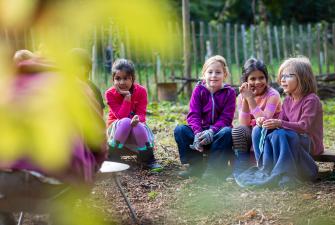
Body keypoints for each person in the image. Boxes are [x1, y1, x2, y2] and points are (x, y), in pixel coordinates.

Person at [0, 50, 107, 224]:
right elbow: (97, 137)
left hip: (4, 180)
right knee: (66, 197)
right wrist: (92, 167)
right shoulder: (75, 85)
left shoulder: (8, 83)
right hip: (55, 180)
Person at [236, 56, 322, 188]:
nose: (282, 79)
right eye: (282, 76)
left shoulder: (311, 100)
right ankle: (266, 168)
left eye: (288, 76)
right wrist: (264, 123)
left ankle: (286, 173)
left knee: (280, 134)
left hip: (308, 143)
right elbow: (278, 123)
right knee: (262, 130)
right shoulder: (288, 100)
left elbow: (304, 127)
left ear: (302, 78)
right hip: (291, 139)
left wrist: (279, 123)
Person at [174, 55, 236, 180]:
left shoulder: (229, 93)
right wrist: (198, 133)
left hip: (218, 134)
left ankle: (214, 169)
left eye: (218, 72)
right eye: (210, 72)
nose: (213, 75)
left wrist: (211, 131)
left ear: (225, 75)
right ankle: (196, 166)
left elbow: (226, 118)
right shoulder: (199, 90)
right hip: (201, 135)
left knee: (227, 132)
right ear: (204, 74)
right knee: (180, 130)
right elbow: (193, 115)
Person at [105, 59, 162, 171]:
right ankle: (113, 157)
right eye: (117, 78)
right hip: (116, 131)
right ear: (113, 79)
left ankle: (147, 159)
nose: (121, 82)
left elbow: (142, 115)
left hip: (136, 129)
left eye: (125, 78)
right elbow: (121, 117)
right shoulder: (110, 94)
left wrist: (137, 119)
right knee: (126, 121)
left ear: (132, 79)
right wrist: (127, 97)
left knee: (138, 125)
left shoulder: (141, 91)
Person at [231, 58, 281, 178]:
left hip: (270, 132)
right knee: (238, 130)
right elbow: (244, 123)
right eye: (253, 79)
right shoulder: (242, 96)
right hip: (252, 131)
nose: (258, 82)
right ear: (246, 81)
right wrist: (246, 99)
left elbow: (264, 121)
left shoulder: (273, 95)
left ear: (266, 78)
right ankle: (241, 169)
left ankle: (263, 167)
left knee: (257, 129)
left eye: (261, 77)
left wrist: (250, 99)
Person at [69, 48, 105, 114]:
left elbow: (100, 114)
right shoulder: (63, 87)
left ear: (87, 68)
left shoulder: (93, 89)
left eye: (77, 65)